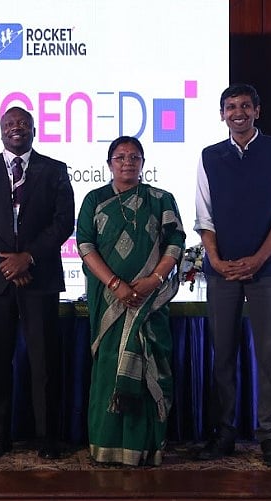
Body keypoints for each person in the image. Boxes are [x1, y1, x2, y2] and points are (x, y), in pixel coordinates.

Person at [193, 83, 271, 468]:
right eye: (230, 107)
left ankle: (269, 435)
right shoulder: (209, 156)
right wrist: (215, 259)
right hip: (221, 269)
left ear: (257, 110)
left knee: (269, 354)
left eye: (244, 106)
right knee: (222, 353)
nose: (237, 113)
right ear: (222, 114)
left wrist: (257, 259)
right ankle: (223, 433)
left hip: (268, 269)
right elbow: (203, 216)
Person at [0, 106, 75, 460]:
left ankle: (48, 437)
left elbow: (63, 222)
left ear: (34, 130)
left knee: (44, 363)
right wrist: (8, 263)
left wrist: (28, 257)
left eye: (23, 123)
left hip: (39, 278)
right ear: (0, 131)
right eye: (10, 123)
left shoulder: (54, 170)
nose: (17, 127)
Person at [76, 136, 186, 466]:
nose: (127, 162)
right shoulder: (94, 199)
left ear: (143, 163)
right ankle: (106, 444)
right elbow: (85, 245)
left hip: (150, 302)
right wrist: (115, 284)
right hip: (108, 301)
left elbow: (175, 242)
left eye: (134, 157)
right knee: (109, 367)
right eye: (120, 157)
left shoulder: (161, 199)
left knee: (150, 364)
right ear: (109, 163)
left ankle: (145, 447)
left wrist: (154, 280)